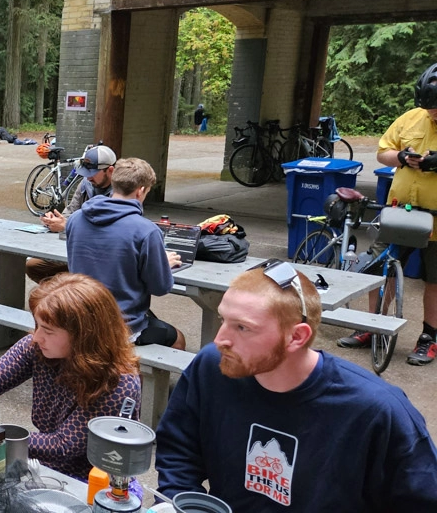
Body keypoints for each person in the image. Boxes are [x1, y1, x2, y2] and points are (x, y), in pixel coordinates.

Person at [155, 263, 437, 510]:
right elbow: (179, 453)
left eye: (242, 327)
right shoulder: (212, 368)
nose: (220, 339)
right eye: (223, 319)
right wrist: (179, 503)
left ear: (297, 337)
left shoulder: (378, 411)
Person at [0, 274, 141, 482]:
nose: (37, 336)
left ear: (84, 335)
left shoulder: (117, 383)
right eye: (37, 325)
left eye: (48, 331)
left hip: (94, 485)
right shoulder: (39, 348)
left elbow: (63, 446)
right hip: (44, 470)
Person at [339, 65, 437, 365]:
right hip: (399, 212)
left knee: (435, 281)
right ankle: (373, 325)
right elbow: (383, 151)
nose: (433, 114)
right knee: (379, 268)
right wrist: (402, 157)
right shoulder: (410, 117)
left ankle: (429, 339)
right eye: (430, 108)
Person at [66, 157, 185, 349]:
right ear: (141, 191)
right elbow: (160, 287)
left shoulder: (75, 219)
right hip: (121, 327)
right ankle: (133, 378)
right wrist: (164, 263)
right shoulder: (147, 231)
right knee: (177, 338)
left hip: (80, 317)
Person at [25, 144, 116, 283]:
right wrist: (54, 220)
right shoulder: (86, 183)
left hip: (99, 254)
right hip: (75, 247)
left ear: (110, 170)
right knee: (33, 266)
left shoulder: (121, 191)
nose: (88, 177)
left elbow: (107, 231)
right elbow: (71, 210)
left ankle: (71, 294)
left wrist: (67, 226)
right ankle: (65, 295)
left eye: (92, 173)